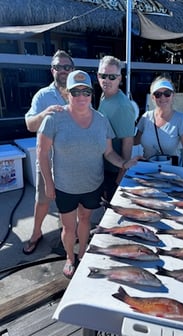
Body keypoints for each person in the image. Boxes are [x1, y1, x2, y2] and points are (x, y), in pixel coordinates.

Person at [37, 70, 140, 278]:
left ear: (92, 94)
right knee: (68, 227)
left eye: (86, 91)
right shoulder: (54, 118)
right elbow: (42, 151)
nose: (82, 96)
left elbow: (109, 152)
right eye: (76, 91)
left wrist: (124, 163)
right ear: (67, 93)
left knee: (85, 220)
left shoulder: (101, 120)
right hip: (65, 186)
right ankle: (69, 257)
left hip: (93, 184)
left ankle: (82, 253)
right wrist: (48, 183)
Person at [23, 50, 75, 254]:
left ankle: (67, 233)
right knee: (43, 201)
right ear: (52, 69)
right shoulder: (43, 95)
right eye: (59, 67)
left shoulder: (79, 92)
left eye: (67, 67)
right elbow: (29, 124)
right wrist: (44, 114)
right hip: (48, 161)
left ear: (73, 69)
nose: (63, 70)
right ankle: (36, 233)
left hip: (71, 163)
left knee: (68, 203)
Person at [97, 55, 136, 201]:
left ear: (120, 79)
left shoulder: (122, 106)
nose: (107, 80)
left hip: (114, 170)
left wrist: (120, 177)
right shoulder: (105, 96)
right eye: (103, 76)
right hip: (103, 166)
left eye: (112, 77)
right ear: (98, 76)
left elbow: (128, 141)